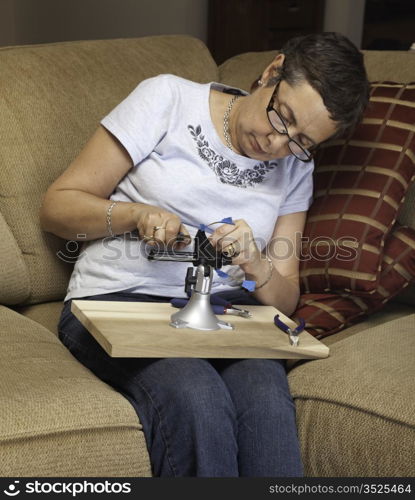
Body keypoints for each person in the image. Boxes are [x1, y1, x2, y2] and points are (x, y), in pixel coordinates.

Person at [40, 32, 369, 477]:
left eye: (301, 141)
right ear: (272, 72)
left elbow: (286, 302)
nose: (277, 145)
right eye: (281, 117)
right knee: (197, 397)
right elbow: (57, 207)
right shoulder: (168, 99)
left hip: (226, 317)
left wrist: (257, 264)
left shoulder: (295, 167)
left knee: (266, 404)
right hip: (118, 300)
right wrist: (136, 214)